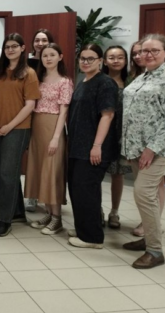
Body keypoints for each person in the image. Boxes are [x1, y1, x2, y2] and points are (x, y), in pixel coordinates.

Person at [122, 34, 165, 269]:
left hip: (155, 150)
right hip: (135, 147)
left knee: (144, 193)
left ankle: (155, 251)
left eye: (154, 50)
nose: (147, 55)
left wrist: (151, 149)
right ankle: (148, 238)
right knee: (146, 196)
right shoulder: (142, 77)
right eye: (144, 51)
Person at [0, 33, 40, 237]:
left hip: (18, 129)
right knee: (2, 171)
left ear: (23, 48)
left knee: (7, 173)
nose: (10, 50)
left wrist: (9, 126)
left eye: (14, 46)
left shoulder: (28, 73)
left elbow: (30, 105)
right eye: (7, 46)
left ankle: (4, 219)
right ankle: (16, 212)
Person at [67, 44, 118, 249]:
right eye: (82, 58)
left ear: (100, 61)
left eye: (91, 58)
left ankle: (92, 238)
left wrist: (97, 145)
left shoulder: (105, 83)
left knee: (86, 190)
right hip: (78, 146)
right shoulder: (83, 81)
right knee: (78, 188)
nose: (86, 62)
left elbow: (108, 115)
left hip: (93, 148)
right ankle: (84, 228)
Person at [25, 43, 73, 235]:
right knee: (41, 170)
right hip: (37, 127)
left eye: (52, 55)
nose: (48, 59)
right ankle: (48, 213)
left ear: (60, 57)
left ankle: (57, 218)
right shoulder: (38, 78)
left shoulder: (65, 81)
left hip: (53, 127)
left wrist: (56, 138)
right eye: (45, 55)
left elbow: (63, 112)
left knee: (52, 171)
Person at [102, 45, 133, 229]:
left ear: (126, 60)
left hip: (122, 135)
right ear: (104, 61)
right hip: (101, 134)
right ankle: (96, 210)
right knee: (96, 174)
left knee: (117, 174)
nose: (116, 61)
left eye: (120, 57)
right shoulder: (99, 80)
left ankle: (114, 212)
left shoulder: (131, 83)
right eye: (112, 57)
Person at [24, 29, 55, 212]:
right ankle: (32, 195)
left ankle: (48, 195)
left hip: (46, 115)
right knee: (32, 157)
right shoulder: (27, 63)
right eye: (37, 40)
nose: (40, 43)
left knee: (47, 157)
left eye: (44, 40)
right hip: (27, 114)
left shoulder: (52, 63)